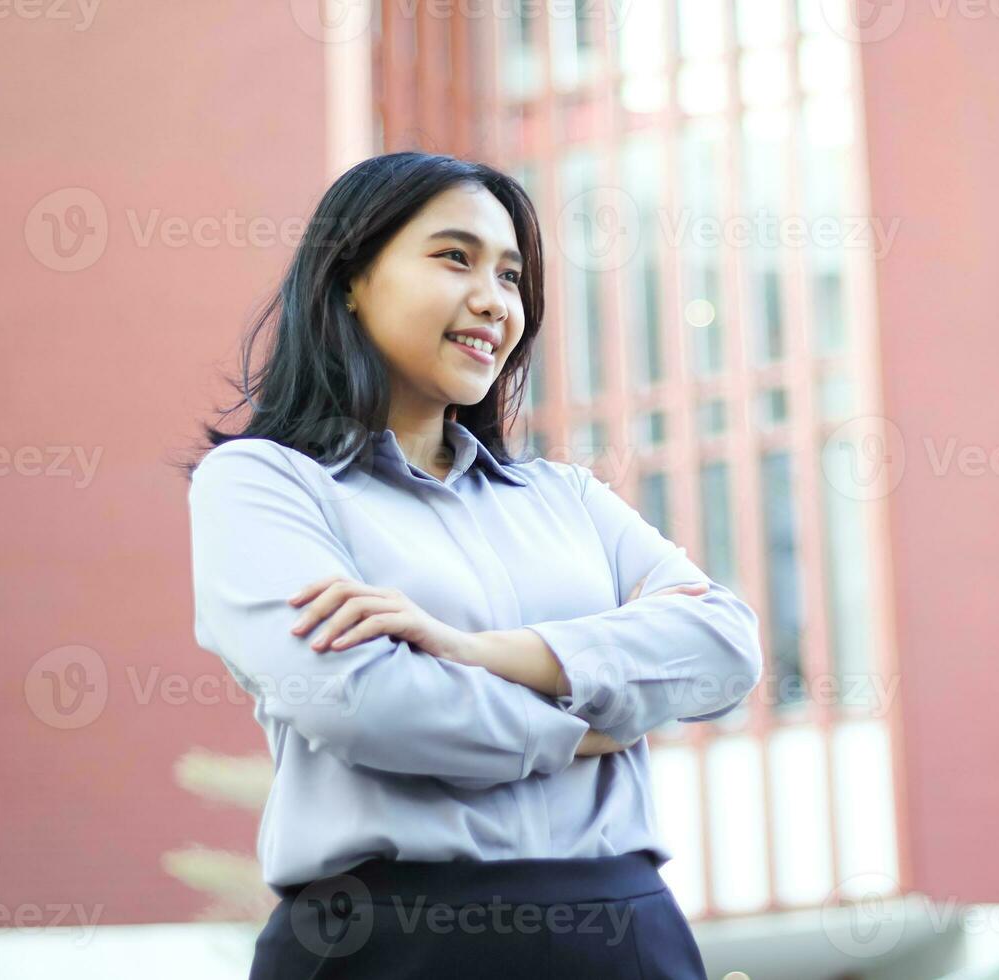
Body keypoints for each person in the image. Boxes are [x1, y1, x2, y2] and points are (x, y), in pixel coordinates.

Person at [179, 151, 764, 978]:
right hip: (385, 944)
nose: (494, 300)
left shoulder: (566, 496)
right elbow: (362, 702)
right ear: (350, 277)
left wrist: (477, 649)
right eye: (455, 258)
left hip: (622, 935)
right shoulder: (264, 484)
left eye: (513, 275)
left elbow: (724, 651)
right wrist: (586, 727)